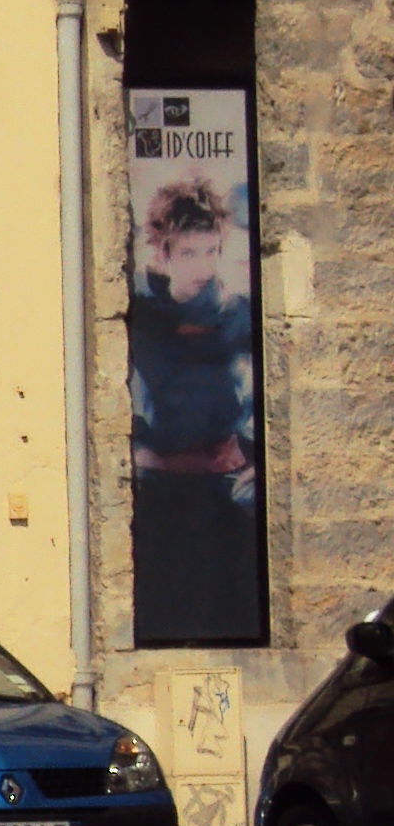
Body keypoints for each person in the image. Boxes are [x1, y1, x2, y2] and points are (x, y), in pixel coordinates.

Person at [129, 175, 261, 641]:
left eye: (210, 251)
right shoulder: (139, 318)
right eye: (189, 253)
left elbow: (257, 406)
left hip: (223, 494)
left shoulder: (237, 314)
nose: (203, 267)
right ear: (164, 253)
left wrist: (254, 463)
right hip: (162, 496)